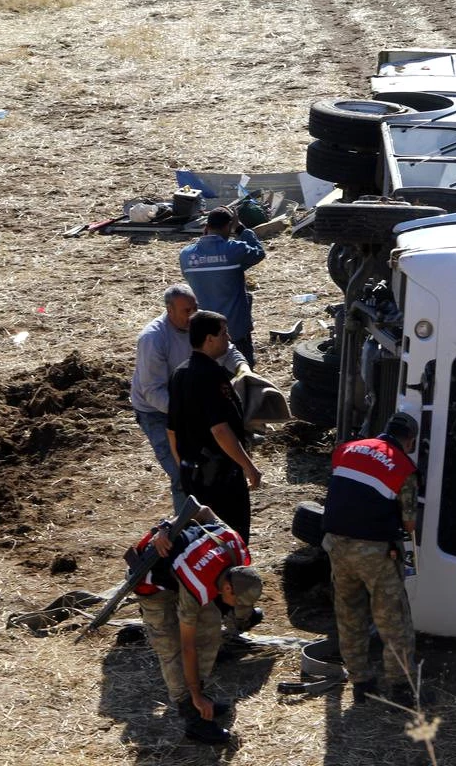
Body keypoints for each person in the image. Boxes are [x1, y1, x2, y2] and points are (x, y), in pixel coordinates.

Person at [132, 498, 263, 745]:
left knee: (212, 626)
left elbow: (203, 510)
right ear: (227, 587)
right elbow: (187, 646)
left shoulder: (235, 545)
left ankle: (199, 697)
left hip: (179, 574)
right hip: (151, 581)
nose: (237, 609)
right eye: (238, 603)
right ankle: (192, 715)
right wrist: (166, 528)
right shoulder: (197, 582)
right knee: (169, 645)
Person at [321, 412, 423, 706]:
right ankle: (402, 688)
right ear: (411, 440)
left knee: (350, 615)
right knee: (393, 619)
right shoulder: (403, 467)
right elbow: (410, 524)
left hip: (336, 545)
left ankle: (361, 684)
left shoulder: (346, 449)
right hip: (374, 551)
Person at [130, 284, 249, 512]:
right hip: (157, 411)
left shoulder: (196, 324)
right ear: (169, 309)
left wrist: (243, 369)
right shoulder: (153, 339)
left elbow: (226, 347)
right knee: (181, 473)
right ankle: (187, 529)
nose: (192, 314)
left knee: (206, 467)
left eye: (195, 308)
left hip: (191, 406)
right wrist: (189, 414)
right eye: (186, 310)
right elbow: (152, 391)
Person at [167, 310, 262, 543]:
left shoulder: (180, 373)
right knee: (231, 537)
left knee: (202, 540)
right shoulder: (210, 375)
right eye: (223, 333)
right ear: (209, 339)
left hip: (194, 474)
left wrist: (185, 467)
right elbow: (220, 430)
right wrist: (249, 467)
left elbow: (171, 429)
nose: (228, 338)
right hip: (220, 477)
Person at [178, 206, 266, 367]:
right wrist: (240, 228)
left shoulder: (186, 255)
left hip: (203, 334)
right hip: (234, 330)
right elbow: (259, 252)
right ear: (228, 226)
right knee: (242, 376)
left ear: (206, 227)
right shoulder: (234, 250)